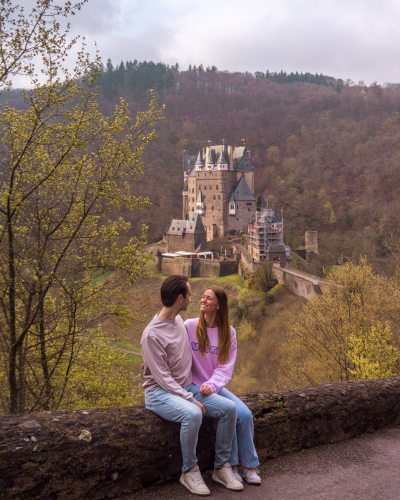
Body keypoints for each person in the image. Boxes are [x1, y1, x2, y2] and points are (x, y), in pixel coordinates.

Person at [141, 275, 243, 496]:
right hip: (159, 392)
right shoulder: (151, 334)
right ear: (180, 298)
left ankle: (221, 467)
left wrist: (152, 360)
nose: (193, 298)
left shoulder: (178, 321)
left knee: (229, 409)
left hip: (185, 386)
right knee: (193, 414)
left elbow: (178, 354)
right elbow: (163, 380)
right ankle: (189, 471)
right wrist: (190, 399)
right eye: (189, 294)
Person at [184, 286, 261, 485]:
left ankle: (250, 466)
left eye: (208, 298)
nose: (203, 300)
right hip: (193, 386)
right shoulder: (189, 326)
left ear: (218, 305)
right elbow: (173, 350)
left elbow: (225, 367)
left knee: (245, 415)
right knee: (230, 410)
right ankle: (231, 465)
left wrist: (212, 385)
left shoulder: (229, 332)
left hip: (213, 387)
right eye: (202, 297)